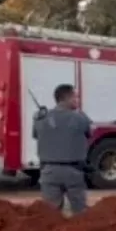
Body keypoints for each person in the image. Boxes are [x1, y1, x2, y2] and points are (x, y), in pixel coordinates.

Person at [32, 84, 92, 215]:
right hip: (73, 172)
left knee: (51, 214)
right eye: (75, 97)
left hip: (48, 171)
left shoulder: (40, 118)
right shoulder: (80, 118)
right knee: (81, 214)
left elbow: (36, 135)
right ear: (68, 98)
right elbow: (89, 134)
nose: (77, 100)